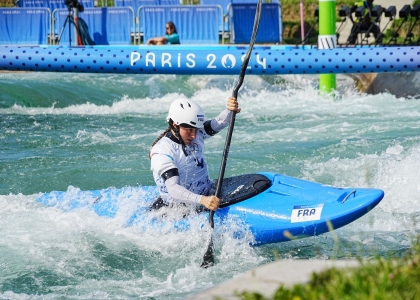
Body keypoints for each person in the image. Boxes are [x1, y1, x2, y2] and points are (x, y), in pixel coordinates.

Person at [149, 97, 241, 213]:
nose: (194, 136)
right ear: (175, 125)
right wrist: (202, 200)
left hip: (206, 194)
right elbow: (173, 188)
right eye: (189, 130)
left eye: (196, 130)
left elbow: (218, 123)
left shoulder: (196, 133)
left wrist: (230, 111)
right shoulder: (162, 151)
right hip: (177, 208)